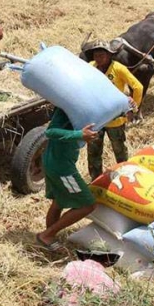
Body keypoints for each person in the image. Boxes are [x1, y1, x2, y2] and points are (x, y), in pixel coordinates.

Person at [36, 107, 98, 250]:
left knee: (58, 201)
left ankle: (49, 239)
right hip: (62, 169)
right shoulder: (68, 108)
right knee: (88, 205)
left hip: (56, 162)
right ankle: (46, 235)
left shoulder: (82, 107)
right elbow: (50, 132)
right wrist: (79, 134)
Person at [82, 40, 144, 181]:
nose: (99, 58)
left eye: (102, 55)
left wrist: (133, 107)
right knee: (93, 152)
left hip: (115, 119)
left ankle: (125, 177)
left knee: (119, 150)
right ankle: (96, 180)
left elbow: (138, 87)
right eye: (96, 55)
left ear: (110, 55)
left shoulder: (119, 69)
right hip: (96, 118)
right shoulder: (90, 67)